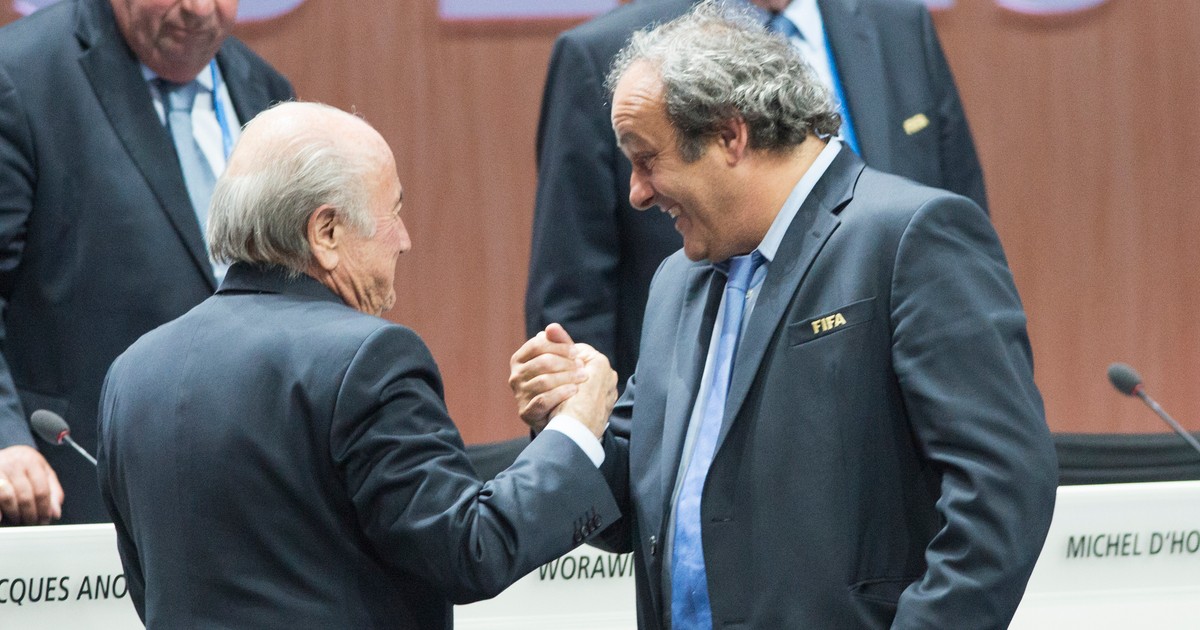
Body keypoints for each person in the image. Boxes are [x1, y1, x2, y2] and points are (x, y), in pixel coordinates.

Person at [510, 3, 1057, 628]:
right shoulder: (675, 283)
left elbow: (1002, 491)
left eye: (646, 159)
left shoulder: (912, 238)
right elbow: (630, 510)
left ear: (730, 136)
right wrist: (570, 421)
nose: (635, 193)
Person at [97, 102, 621, 628]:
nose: (405, 240)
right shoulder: (367, 360)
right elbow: (471, 550)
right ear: (326, 232)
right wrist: (574, 430)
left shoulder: (131, 374)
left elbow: (148, 588)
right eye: (393, 212)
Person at [526, 0, 986, 387]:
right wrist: (586, 447)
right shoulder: (608, 55)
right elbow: (573, 300)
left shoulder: (900, 25)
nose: (639, 192)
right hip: (698, 417)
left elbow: (961, 252)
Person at [0, 0, 293, 525]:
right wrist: (4, 438)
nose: (198, 9)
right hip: (75, 491)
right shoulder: (21, 76)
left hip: (243, 503)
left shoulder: (264, 92)